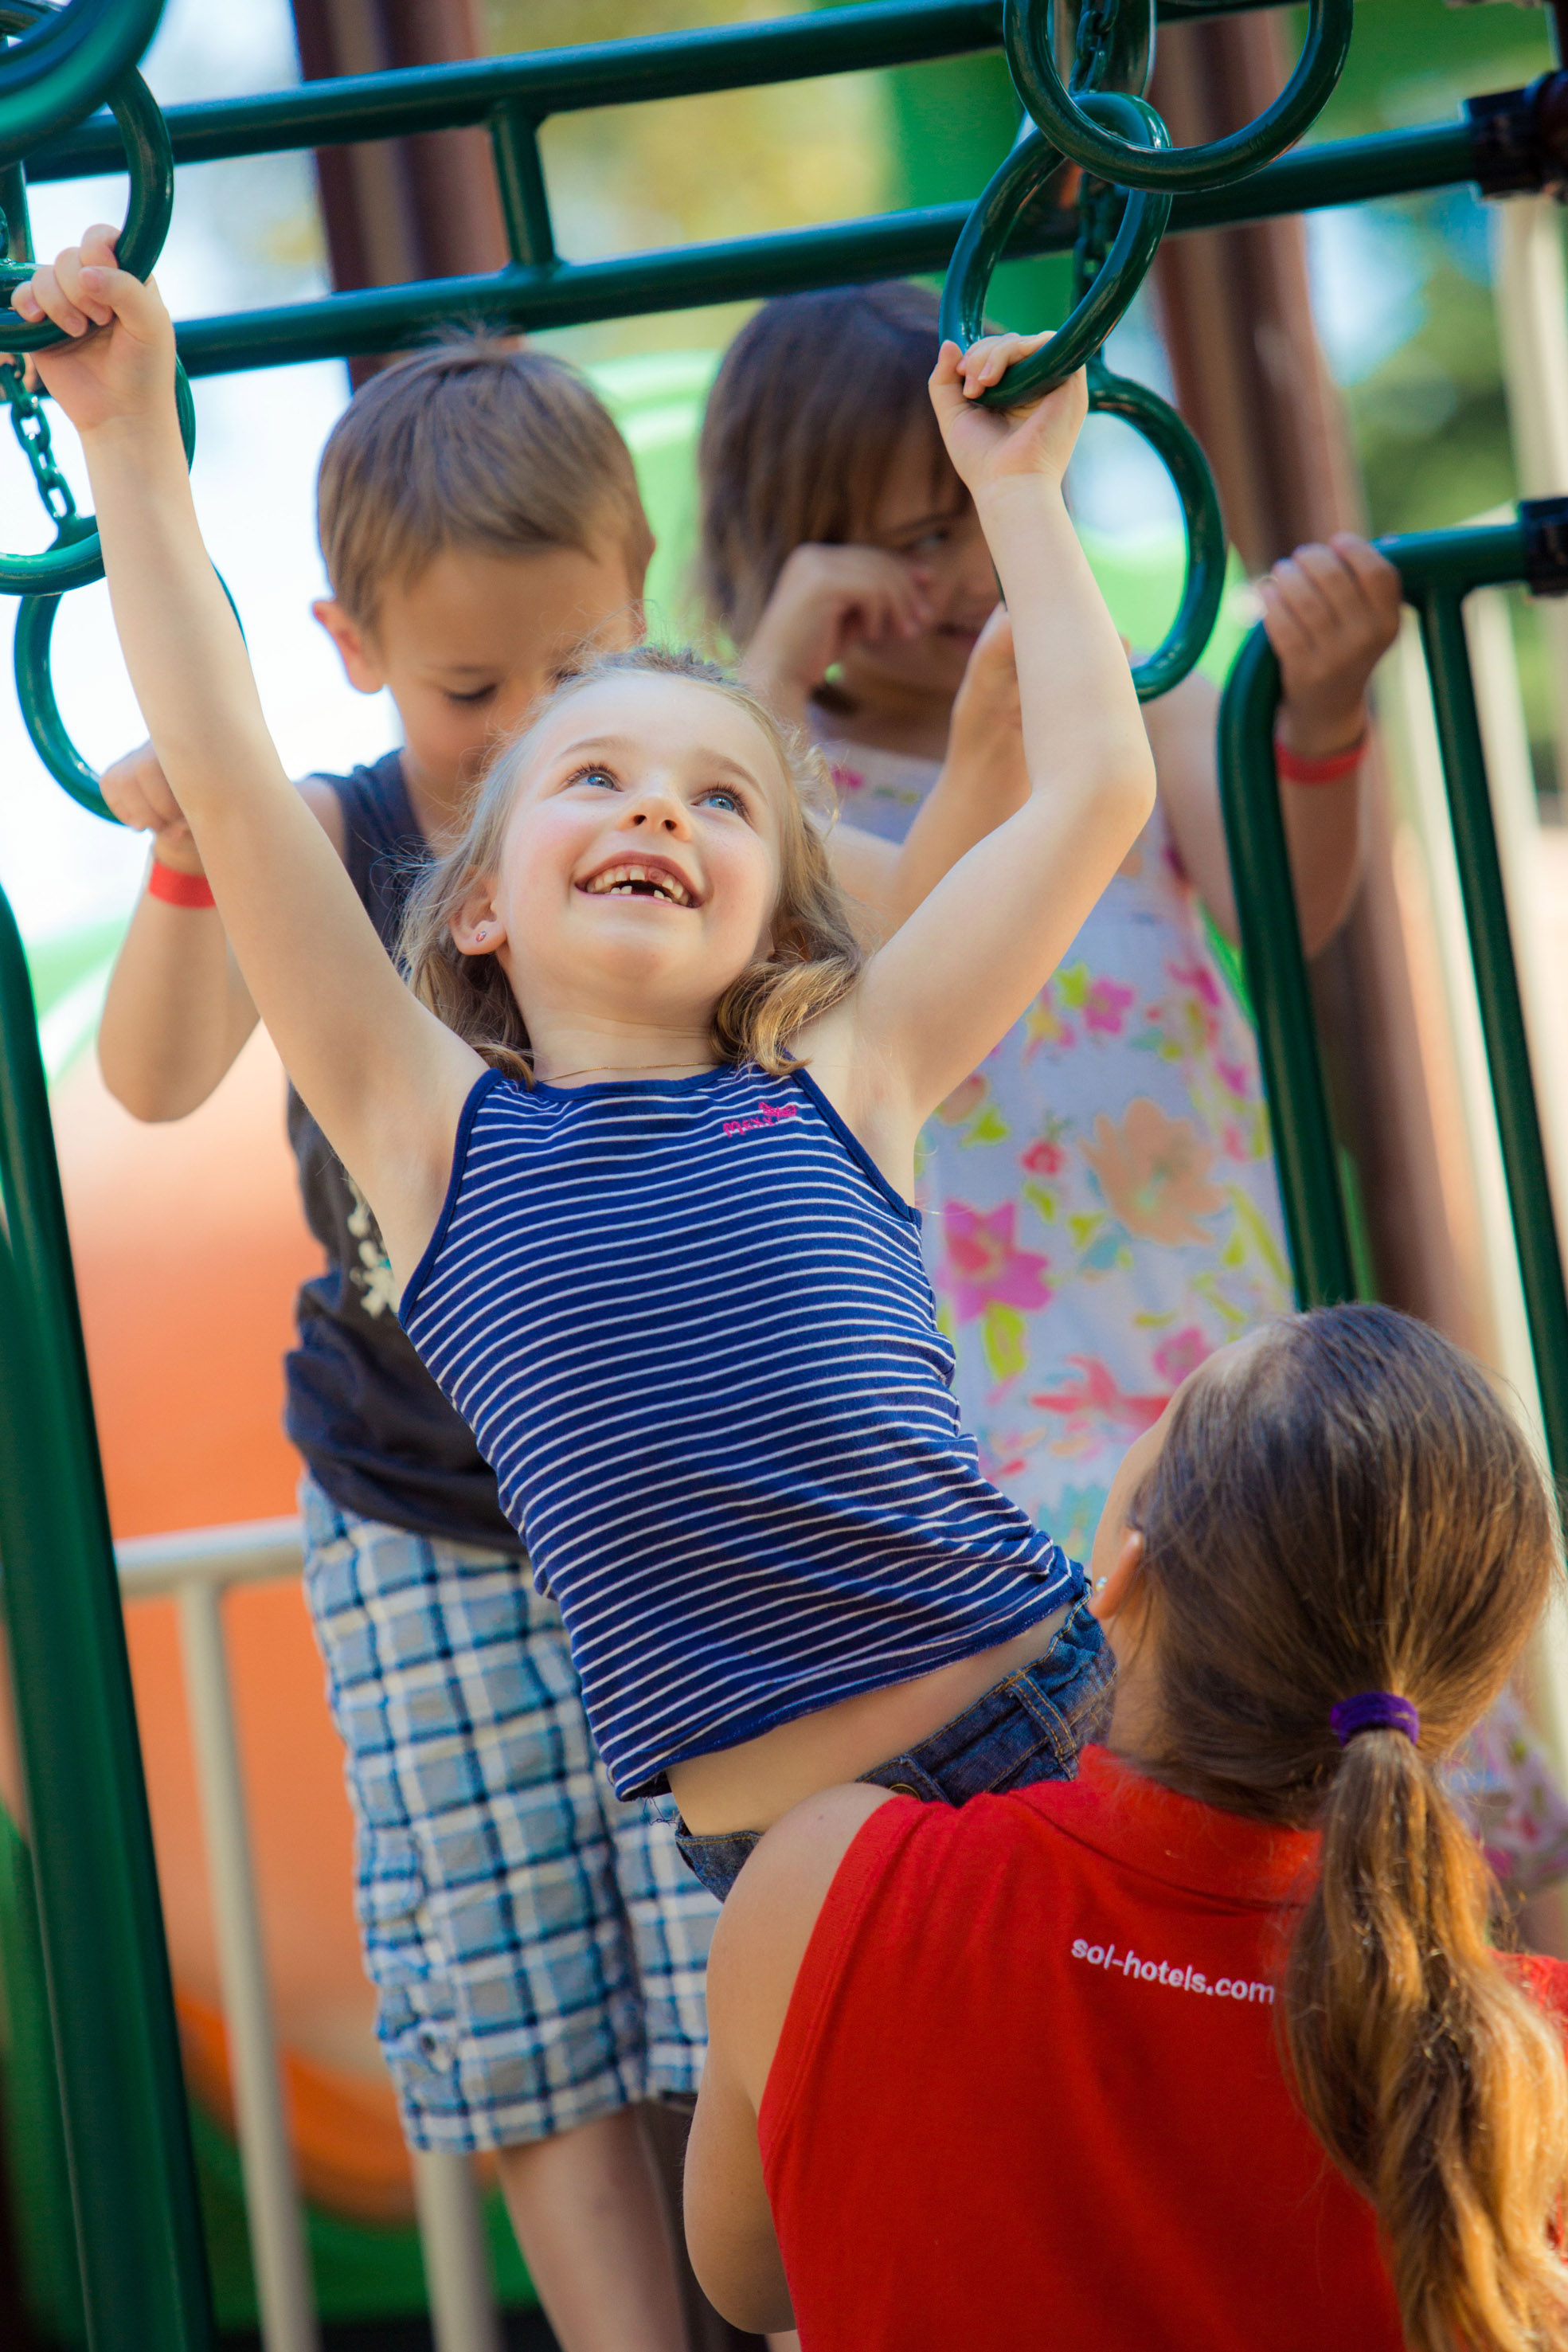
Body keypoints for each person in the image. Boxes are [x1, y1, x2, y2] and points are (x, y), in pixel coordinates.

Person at [21, 226, 1154, 1911]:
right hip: (789, 1870)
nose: (653, 806)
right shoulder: (428, 1133)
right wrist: (126, 431)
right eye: (595, 773)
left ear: (779, 899)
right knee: (799, 2193)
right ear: (469, 897)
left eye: (718, 799)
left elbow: (1091, 798)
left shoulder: (851, 1074)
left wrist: (1024, 496)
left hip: (1040, 1727)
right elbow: (233, 775)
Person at [92, 338, 722, 2352]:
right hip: (416, 1499)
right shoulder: (345, 842)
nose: (543, 729)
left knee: (743, 1950)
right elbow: (160, 1073)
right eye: (475, 695)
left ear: (646, 600)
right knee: (529, 1989)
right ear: (351, 649)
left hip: (671, 1490)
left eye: (584, 667)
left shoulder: (685, 816)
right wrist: (200, 848)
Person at [686, 1303, 1568, 2352]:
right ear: (1464, 1691)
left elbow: (743, 2280)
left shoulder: (828, 1889)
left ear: (1126, 1571)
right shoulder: (1531, 2073)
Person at [699, 280, 1402, 1556]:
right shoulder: (780, 773)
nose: (976, 569)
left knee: (1279, 1608)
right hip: (977, 1356)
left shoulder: (1127, 694)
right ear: (805, 549)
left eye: (990, 508)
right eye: (924, 536)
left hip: (1196, 1288)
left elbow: (1283, 907)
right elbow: (743, 941)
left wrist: (1324, 716)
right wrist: (772, 671)